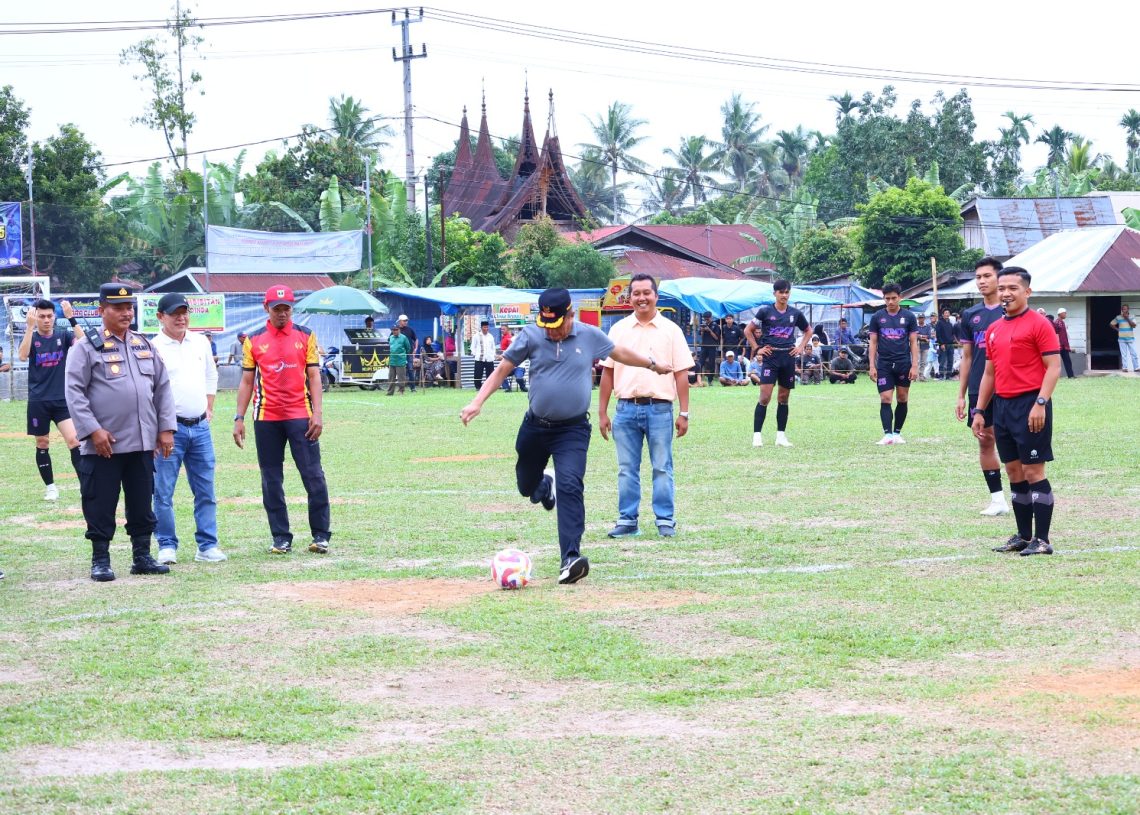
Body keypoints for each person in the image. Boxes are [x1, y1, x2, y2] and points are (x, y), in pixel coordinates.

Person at [459, 287, 672, 585]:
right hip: (535, 427)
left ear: (570, 315)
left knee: (571, 486)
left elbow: (618, 352)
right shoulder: (531, 336)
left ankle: (570, 558)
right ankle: (543, 485)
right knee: (525, 486)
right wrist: (477, 401)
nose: (554, 330)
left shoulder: (589, 335)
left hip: (572, 430)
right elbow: (502, 370)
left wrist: (652, 364)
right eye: (548, 324)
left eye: (558, 323)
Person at [65, 283, 176, 582]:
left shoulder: (144, 344)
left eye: (129, 308)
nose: (126, 313)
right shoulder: (85, 347)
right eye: (118, 307)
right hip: (105, 444)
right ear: (102, 310)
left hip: (141, 441)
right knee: (100, 502)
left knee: (141, 501)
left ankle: (141, 556)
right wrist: (92, 430)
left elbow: (162, 388)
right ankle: (100, 559)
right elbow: (74, 393)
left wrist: (165, 428)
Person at [234, 285, 331, 556]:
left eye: (286, 308)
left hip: (301, 416)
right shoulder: (253, 340)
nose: (282, 313)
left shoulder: (306, 336)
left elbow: (314, 377)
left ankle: (321, 535)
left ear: (292, 308)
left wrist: (318, 414)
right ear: (266, 308)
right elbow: (246, 381)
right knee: (271, 479)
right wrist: (238, 418)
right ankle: (280, 537)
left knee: (313, 476)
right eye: (277, 309)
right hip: (266, 418)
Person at [971, 267, 1061, 556]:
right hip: (1003, 406)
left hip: (1030, 404)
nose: (1006, 293)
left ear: (1027, 292)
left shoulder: (1040, 324)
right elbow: (989, 374)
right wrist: (980, 410)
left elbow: (1054, 368)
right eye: (1003, 288)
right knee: (1013, 471)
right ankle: (1023, 536)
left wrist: (1041, 403)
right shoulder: (995, 328)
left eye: (1013, 288)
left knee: (1033, 470)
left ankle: (1042, 539)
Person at [597, 274, 693, 538]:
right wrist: (602, 412)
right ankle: (627, 521)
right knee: (626, 469)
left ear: (656, 297)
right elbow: (607, 372)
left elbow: (681, 373)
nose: (641, 298)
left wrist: (684, 412)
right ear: (629, 298)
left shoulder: (671, 330)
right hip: (625, 409)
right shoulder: (618, 330)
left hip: (660, 409)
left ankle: (665, 520)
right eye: (636, 293)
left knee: (662, 466)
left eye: (646, 293)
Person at [151, 293, 226, 565]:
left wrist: (209, 405)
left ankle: (207, 545)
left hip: (201, 428)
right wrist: (162, 429)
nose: (181, 317)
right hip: (170, 430)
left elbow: (210, 374)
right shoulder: (154, 347)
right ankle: (166, 544)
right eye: (174, 313)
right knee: (163, 491)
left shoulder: (200, 342)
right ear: (161, 317)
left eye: (184, 312)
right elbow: (150, 391)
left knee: (205, 490)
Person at [955, 257, 1011, 517]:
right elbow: (967, 357)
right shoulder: (970, 315)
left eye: (987, 276)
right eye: (978, 277)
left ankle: (1021, 495)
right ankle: (998, 500)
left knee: (1013, 443)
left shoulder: (1011, 311)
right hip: (980, 388)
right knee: (985, 441)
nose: (981, 281)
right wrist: (961, 395)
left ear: (999, 278)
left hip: (1011, 386)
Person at [19, 298, 82, 502]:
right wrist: (29, 329)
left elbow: (83, 342)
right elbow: (22, 355)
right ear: (35, 317)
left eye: (49, 316)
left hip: (62, 399)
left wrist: (71, 318)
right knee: (42, 442)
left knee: (74, 441)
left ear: (54, 316)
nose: (46, 320)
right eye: (42, 316)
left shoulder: (63, 335)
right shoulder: (32, 336)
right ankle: (51, 487)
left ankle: (85, 484)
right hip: (39, 401)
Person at [743, 279, 812, 447]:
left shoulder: (795, 314)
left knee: (783, 398)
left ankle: (781, 436)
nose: (784, 295)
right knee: (765, 397)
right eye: (781, 292)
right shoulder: (765, 311)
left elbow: (808, 331)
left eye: (787, 292)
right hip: (771, 358)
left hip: (787, 358)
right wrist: (757, 348)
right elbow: (748, 330)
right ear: (775, 293)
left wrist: (800, 347)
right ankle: (757, 436)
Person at [868, 284, 919, 445]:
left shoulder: (909, 317)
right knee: (886, 398)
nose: (890, 301)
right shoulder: (877, 317)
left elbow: (913, 342)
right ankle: (887, 434)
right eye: (887, 298)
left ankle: (897, 433)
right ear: (883, 299)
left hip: (903, 363)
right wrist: (871, 365)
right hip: (884, 364)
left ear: (900, 298)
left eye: (893, 298)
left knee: (902, 398)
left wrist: (915, 365)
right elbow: (873, 343)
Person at [1111, 303, 1137, 373]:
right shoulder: (1118, 317)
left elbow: (1134, 325)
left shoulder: (1132, 316)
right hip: (1121, 339)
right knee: (1124, 354)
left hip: (1130, 338)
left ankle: (1136, 367)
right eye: (1123, 309)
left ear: (1128, 309)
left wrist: (1127, 318)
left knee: (1134, 353)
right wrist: (1117, 329)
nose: (1124, 310)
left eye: (1125, 309)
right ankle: (1125, 368)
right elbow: (1111, 324)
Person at [470, 320, 496, 389]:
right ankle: (478, 387)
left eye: (487, 327)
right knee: (478, 374)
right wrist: (475, 354)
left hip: (489, 358)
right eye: (484, 327)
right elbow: (473, 347)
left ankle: (489, 387)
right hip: (479, 358)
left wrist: (493, 355)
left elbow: (493, 347)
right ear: (481, 327)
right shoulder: (476, 336)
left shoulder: (491, 336)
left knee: (490, 374)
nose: (486, 329)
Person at [395, 314, 418, 391]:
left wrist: (416, 348)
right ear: (400, 321)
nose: (406, 322)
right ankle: (401, 387)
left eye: (406, 320)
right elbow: (390, 340)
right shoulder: (396, 330)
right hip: (399, 354)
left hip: (409, 353)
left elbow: (416, 339)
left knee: (410, 369)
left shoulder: (410, 329)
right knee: (400, 370)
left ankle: (413, 388)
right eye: (404, 321)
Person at [386, 323, 411, 395]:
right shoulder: (391, 337)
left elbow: (408, 348)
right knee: (391, 377)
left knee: (401, 378)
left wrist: (403, 356)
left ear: (399, 330)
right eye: (393, 330)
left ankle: (401, 391)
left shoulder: (404, 337)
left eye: (396, 330)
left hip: (401, 360)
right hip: (392, 360)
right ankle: (390, 392)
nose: (394, 331)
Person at [698, 312, 720, 386]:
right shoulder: (703, 325)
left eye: (707, 318)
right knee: (700, 362)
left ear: (711, 317)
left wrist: (709, 330)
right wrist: (702, 330)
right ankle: (698, 379)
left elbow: (716, 337)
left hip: (712, 346)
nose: (706, 320)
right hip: (704, 346)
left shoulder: (715, 325)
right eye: (705, 319)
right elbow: (701, 336)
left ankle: (710, 380)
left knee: (711, 363)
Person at [935, 307, 956, 380]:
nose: (947, 314)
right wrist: (941, 344)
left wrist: (954, 340)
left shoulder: (950, 323)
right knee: (942, 360)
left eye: (948, 313)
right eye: (945, 313)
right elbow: (938, 334)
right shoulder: (939, 323)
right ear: (943, 314)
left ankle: (948, 376)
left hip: (950, 344)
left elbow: (952, 334)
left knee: (950, 360)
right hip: (943, 344)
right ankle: (941, 375)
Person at [1054, 307, 1075, 378]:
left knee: (1067, 361)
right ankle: (1055, 376)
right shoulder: (1057, 322)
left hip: (1064, 345)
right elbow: (1056, 334)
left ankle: (1071, 375)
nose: (1066, 314)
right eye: (1065, 313)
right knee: (1057, 362)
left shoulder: (1062, 322)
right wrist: (1058, 344)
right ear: (1060, 314)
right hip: (1060, 346)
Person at [916, 313, 933, 381]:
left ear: (924, 318)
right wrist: (923, 337)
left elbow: (929, 336)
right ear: (918, 318)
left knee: (923, 362)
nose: (921, 319)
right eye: (920, 318)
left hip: (925, 345)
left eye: (922, 318)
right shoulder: (915, 326)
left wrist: (920, 336)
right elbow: (915, 335)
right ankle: (915, 376)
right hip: (917, 344)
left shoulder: (928, 326)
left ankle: (921, 376)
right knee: (916, 361)